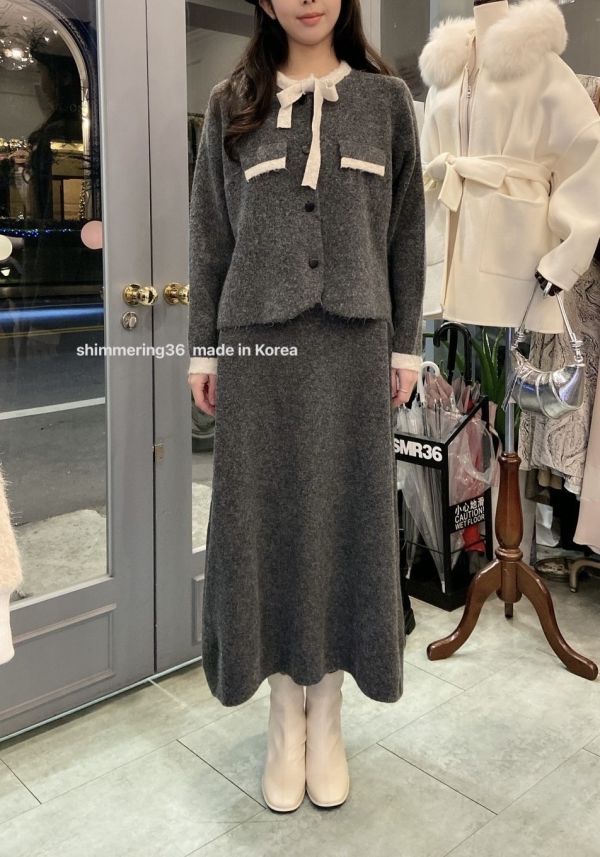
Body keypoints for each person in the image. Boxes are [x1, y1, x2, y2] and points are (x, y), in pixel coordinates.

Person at [187, 0, 425, 813]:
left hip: (355, 345)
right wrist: (202, 349)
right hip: (258, 350)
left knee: (344, 520)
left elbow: (407, 231)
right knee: (266, 523)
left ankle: (329, 712)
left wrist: (405, 346)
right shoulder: (232, 101)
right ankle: (283, 710)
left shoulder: (386, 101)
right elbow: (209, 237)